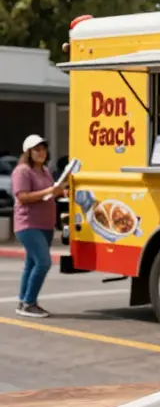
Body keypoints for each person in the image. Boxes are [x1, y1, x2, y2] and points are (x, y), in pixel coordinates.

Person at [12, 135, 67, 318]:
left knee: (31, 263)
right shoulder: (22, 171)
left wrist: (62, 192)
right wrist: (50, 191)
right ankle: (29, 303)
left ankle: (23, 301)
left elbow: (50, 194)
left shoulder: (45, 171)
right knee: (43, 262)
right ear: (28, 152)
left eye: (43, 149)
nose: (41, 152)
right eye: (37, 149)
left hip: (45, 225)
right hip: (28, 224)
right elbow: (23, 196)